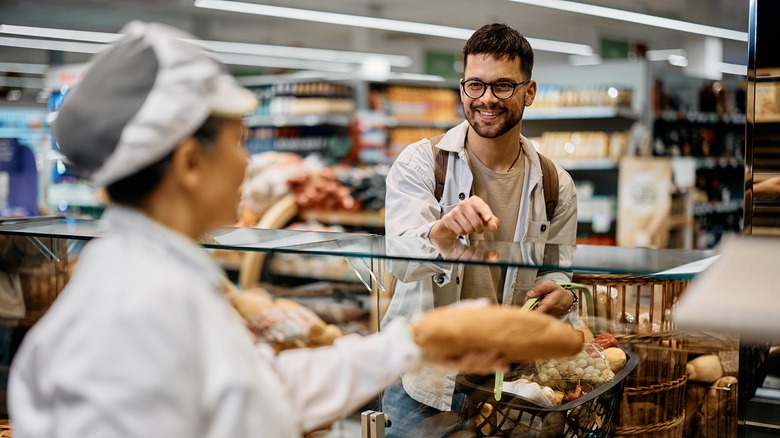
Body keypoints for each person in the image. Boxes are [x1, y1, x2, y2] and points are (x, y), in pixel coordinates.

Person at [6, 22, 519, 438]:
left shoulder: (147, 274)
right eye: (238, 143)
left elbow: (258, 389)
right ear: (189, 163)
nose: (247, 165)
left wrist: (414, 342)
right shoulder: (143, 303)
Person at [382, 23, 579, 436]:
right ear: (462, 89)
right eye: (476, 85)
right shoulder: (422, 164)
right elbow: (400, 264)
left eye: (503, 86)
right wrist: (440, 232)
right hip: (425, 380)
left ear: (529, 92)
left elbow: (554, 268)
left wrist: (562, 291)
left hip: (511, 385)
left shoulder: (556, 182)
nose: (487, 99)